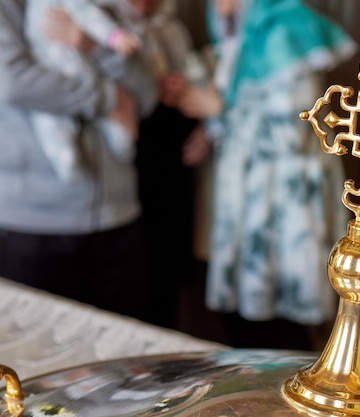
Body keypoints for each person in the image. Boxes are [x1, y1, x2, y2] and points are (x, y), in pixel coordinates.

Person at [179, 0, 356, 350]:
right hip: (253, 199)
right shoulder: (244, 32)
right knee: (250, 322)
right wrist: (211, 126)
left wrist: (219, 112)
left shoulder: (283, 31)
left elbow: (291, 134)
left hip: (283, 204)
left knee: (279, 329)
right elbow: (243, 102)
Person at [0, 0, 157, 320]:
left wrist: (94, 46)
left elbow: (147, 93)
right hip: (33, 222)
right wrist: (108, 98)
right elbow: (12, 82)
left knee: (126, 355)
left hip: (118, 214)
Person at [113, 0, 210, 329]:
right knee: (137, 269)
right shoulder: (105, 28)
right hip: (130, 158)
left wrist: (203, 127)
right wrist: (152, 88)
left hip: (175, 160)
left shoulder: (173, 29)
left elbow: (199, 85)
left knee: (171, 263)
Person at [24, 0, 143, 183]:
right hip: (52, 80)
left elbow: (92, 18)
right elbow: (13, 84)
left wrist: (115, 38)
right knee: (49, 121)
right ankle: (67, 161)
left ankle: (121, 139)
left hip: (86, 74)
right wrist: (111, 98)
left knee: (116, 124)